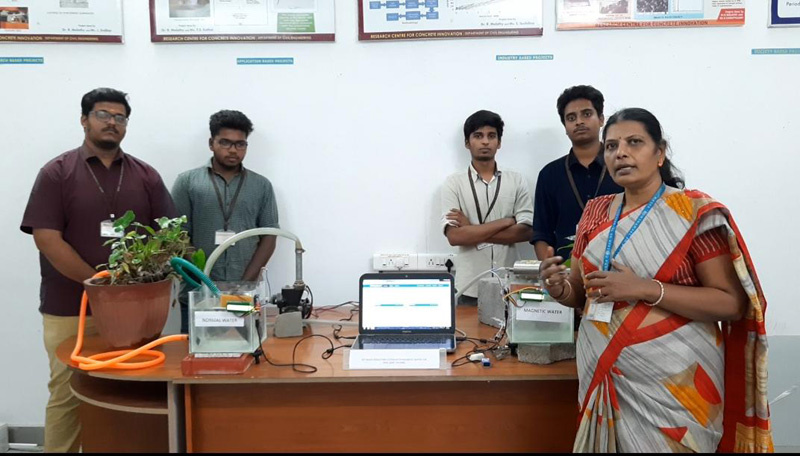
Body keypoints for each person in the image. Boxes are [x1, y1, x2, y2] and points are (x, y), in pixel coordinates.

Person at [538, 108, 772, 452]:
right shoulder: (595, 212)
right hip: (602, 370)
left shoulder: (691, 212)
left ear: (659, 153)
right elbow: (581, 292)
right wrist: (560, 289)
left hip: (676, 381)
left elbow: (731, 303)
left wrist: (646, 289)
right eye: (611, 146)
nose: (620, 153)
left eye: (634, 142)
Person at [20, 88, 177, 453]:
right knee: (67, 393)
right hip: (69, 309)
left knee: (131, 392)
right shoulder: (57, 172)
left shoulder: (145, 175)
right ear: (84, 120)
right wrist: (98, 284)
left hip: (135, 312)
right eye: (103, 114)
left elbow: (168, 236)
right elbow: (46, 238)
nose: (112, 122)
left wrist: (134, 282)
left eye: (120, 117)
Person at [172, 110, 279, 333]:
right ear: (211, 143)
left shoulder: (261, 186)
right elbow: (178, 236)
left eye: (240, 144)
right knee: (197, 352)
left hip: (244, 296)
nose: (233, 150)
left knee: (247, 352)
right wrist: (205, 281)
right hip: (199, 294)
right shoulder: (187, 182)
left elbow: (269, 237)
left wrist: (244, 285)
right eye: (225, 142)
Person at [441, 110, 533, 304]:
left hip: (511, 285)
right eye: (478, 136)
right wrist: (506, 222)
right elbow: (455, 237)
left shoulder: (516, 180)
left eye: (491, 136)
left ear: (499, 142)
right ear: (467, 143)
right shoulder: (453, 183)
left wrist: (471, 229)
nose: (485, 142)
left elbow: (526, 232)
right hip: (469, 287)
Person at [532, 85, 622, 263]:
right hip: (566, 272)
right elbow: (541, 233)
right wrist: (552, 272)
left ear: (601, 119)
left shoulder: (622, 166)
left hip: (620, 270)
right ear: (565, 127)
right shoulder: (549, 174)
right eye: (571, 118)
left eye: (587, 114)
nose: (579, 122)